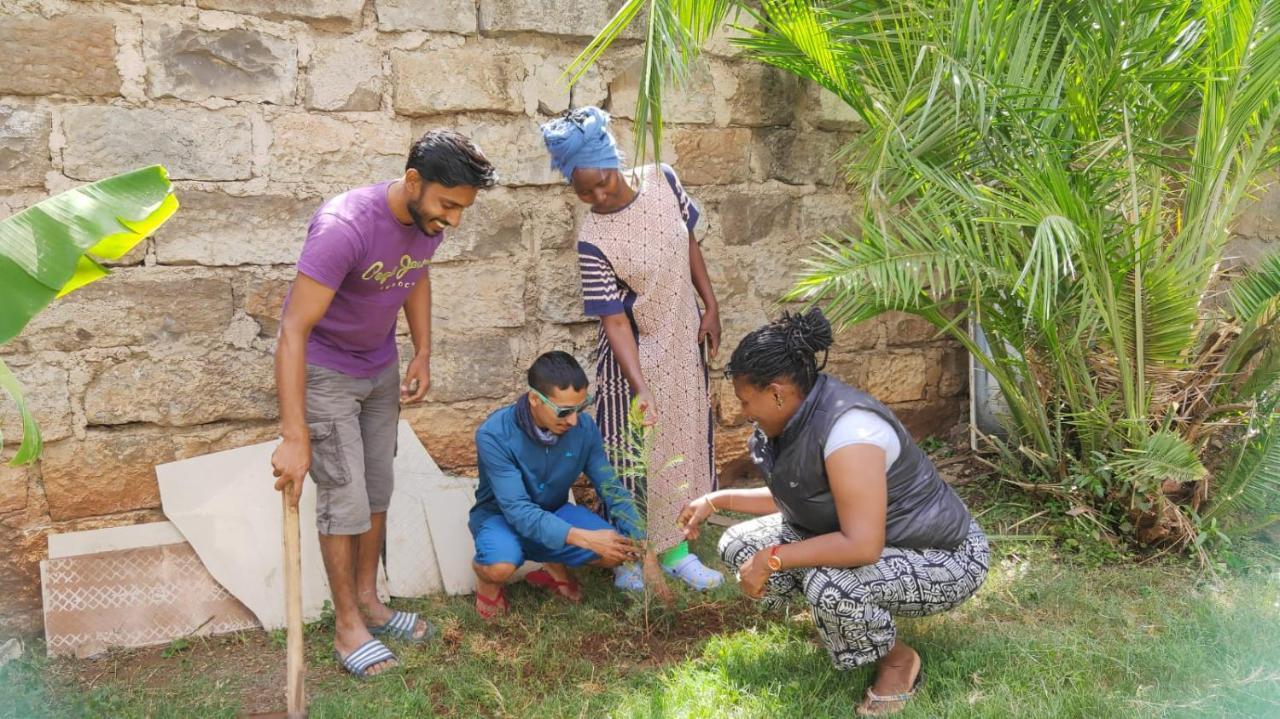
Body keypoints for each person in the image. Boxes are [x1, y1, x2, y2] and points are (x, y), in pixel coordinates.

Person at [679, 309, 989, 716]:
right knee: (739, 544)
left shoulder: (850, 432)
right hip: (870, 538)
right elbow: (800, 496)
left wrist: (773, 559)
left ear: (776, 392)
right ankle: (846, 623)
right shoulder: (792, 417)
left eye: (745, 401)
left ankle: (897, 660)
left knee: (831, 584)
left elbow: (862, 545)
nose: (742, 412)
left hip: (942, 553)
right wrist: (717, 501)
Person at [269, 130, 496, 679]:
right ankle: (348, 626)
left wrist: (422, 350)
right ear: (413, 182)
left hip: (380, 370)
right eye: (448, 206)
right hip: (326, 373)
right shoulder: (343, 228)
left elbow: (415, 276)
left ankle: (370, 601)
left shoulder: (427, 221)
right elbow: (292, 331)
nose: (454, 221)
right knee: (342, 500)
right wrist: (295, 434)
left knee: (376, 490)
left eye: (463, 209)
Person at [539, 106, 723, 592]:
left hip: (683, 344)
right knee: (633, 458)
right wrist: (640, 387)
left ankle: (680, 549)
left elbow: (689, 245)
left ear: (614, 160)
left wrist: (711, 305)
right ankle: (631, 559)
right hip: (634, 361)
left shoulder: (663, 180)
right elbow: (615, 320)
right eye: (585, 193)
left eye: (604, 182)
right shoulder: (593, 237)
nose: (599, 196)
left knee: (682, 448)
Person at [469, 351, 643, 619]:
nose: (574, 420)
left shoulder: (583, 428)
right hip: (500, 517)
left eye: (581, 407)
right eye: (564, 411)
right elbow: (518, 512)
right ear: (535, 400)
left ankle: (551, 562)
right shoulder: (494, 434)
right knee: (500, 566)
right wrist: (585, 537)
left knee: (614, 553)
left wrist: (644, 547)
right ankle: (487, 579)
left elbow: (611, 488)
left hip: (555, 512)